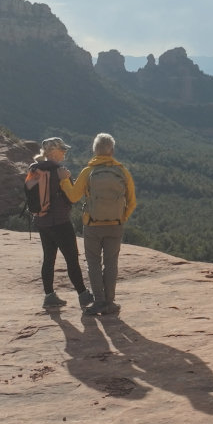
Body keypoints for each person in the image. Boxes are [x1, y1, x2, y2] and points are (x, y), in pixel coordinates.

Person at [65, 132, 137, 317]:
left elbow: (73, 196)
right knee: (111, 263)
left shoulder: (88, 171)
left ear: (95, 150)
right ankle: (110, 303)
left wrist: (64, 179)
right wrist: (122, 217)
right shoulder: (122, 171)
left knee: (94, 263)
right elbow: (132, 202)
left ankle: (99, 302)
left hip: (92, 224)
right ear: (111, 151)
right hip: (115, 225)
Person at [25, 137, 95, 310]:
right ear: (53, 152)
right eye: (62, 150)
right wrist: (68, 179)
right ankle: (83, 295)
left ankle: (49, 296)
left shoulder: (34, 169)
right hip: (60, 222)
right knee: (72, 258)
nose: (64, 152)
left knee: (49, 258)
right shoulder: (59, 171)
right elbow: (71, 197)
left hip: (42, 221)